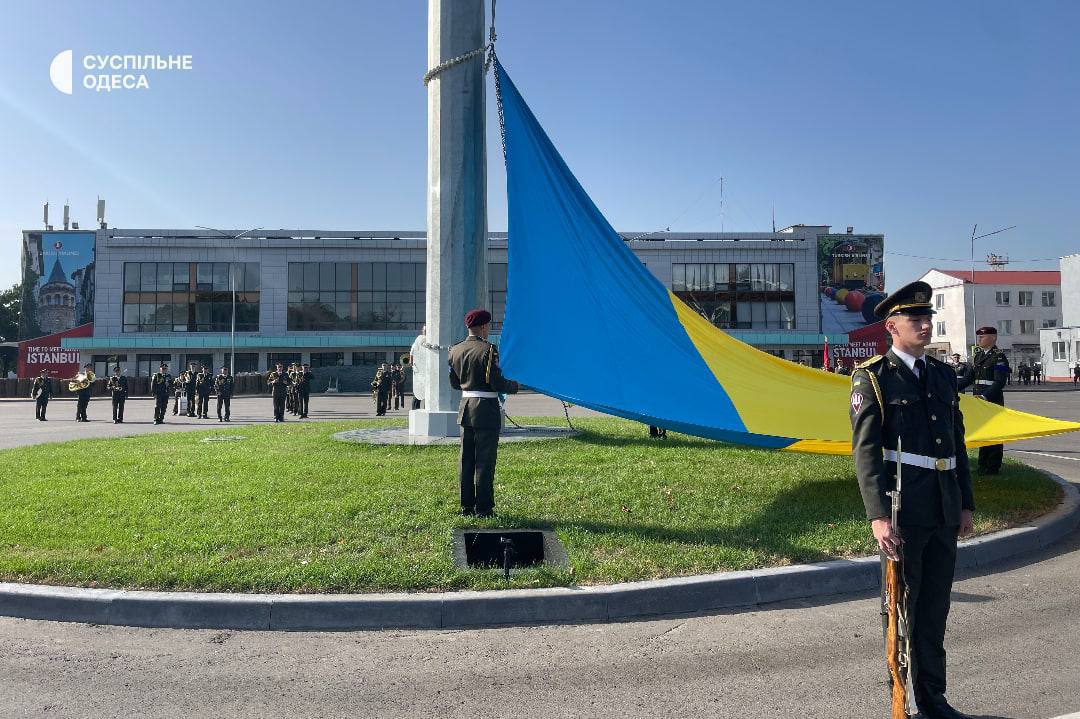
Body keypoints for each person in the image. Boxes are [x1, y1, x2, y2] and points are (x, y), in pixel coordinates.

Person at [849, 281, 974, 719]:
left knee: (934, 608)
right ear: (892, 326)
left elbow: (956, 444)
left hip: (942, 507)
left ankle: (934, 701)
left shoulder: (940, 374)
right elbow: (865, 451)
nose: (924, 325)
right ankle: (901, 703)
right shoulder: (874, 378)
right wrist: (878, 516)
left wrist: (965, 502)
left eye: (928, 318)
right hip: (903, 512)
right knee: (901, 608)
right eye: (915, 319)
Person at [449, 308, 520, 517]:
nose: (488, 329)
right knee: (485, 461)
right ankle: (484, 508)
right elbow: (496, 382)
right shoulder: (489, 350)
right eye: (488, 326)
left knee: (467, 460)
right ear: (482, 326)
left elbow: (454, 383)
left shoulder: (454, 350)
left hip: (465, 408)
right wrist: (515, 386)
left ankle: (467, 506)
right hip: (485, 410)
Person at [962, 326, 1009, 475]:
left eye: (982, 337)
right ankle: (982, 465)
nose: (979, 339)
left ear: (993, 338)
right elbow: (968, 379)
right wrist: (950, 387)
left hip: (992, 401)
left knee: (994, 434)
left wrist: (985, 396)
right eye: (978, 337)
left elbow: (999, 382)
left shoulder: (999, 357)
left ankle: (993, 467)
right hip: (979, 402)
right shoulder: (978, 356)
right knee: (983, 432)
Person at [409, 326, 427, 411]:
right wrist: (413, 365)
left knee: (429, 394)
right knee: (417, 394)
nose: (426, 331)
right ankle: (415, 410)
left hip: (428, 372)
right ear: (422, 331)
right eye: (425, 330)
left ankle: (427, 409)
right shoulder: (418, 342)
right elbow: (412, 354)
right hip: (420, 372)